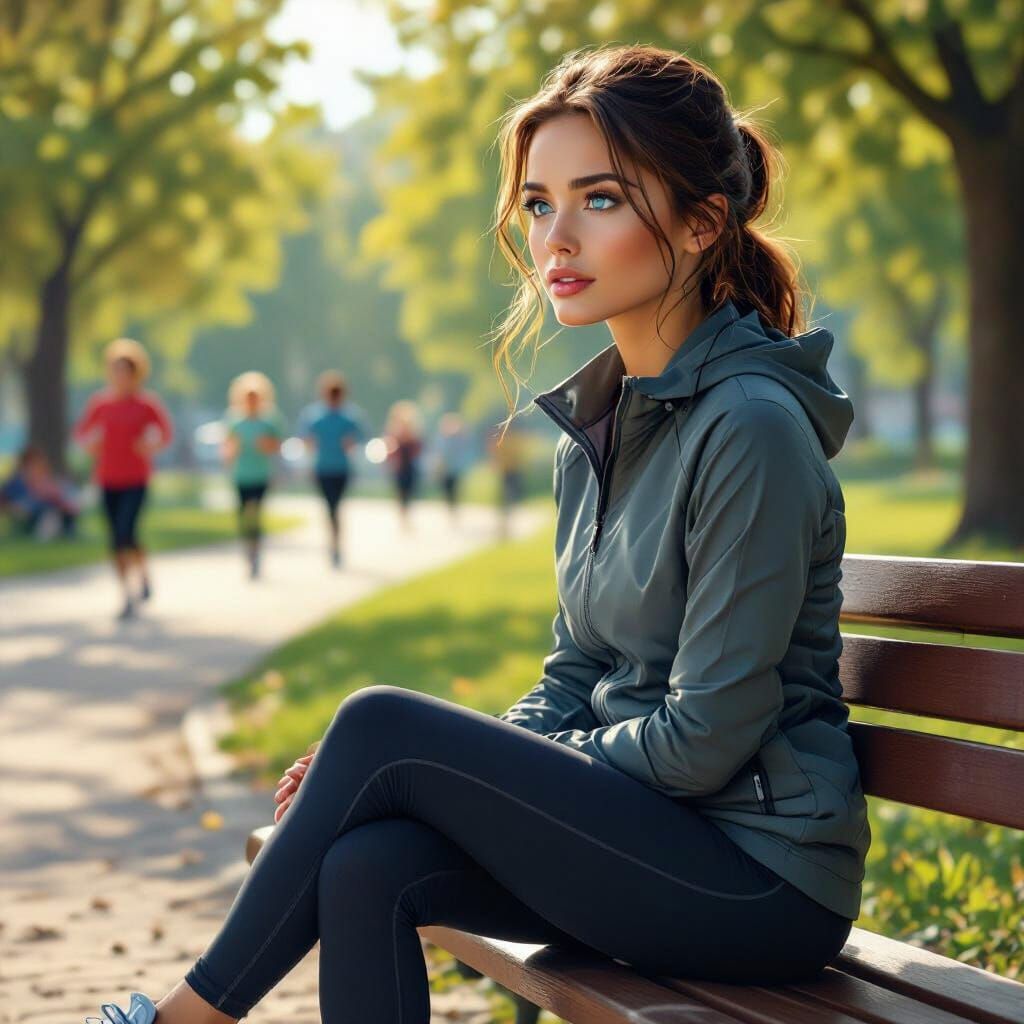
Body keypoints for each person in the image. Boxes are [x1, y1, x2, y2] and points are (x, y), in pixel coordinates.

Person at [89, 43, 870, 1023]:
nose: (556, 239)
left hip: (758, 876)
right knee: (366, 861)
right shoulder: (601, 424)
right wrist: (439, 773)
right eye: (540, 204)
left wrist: (431, 767)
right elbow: (577, 669)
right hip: (654, 832)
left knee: (379, 725)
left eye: (599, 199)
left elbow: (706, 739)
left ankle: (180, 1020)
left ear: (702, 221)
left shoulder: (749, 426)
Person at [73, 338, 173, 620]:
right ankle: (126, 593)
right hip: (107, 479)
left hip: (136, 479)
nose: (121, 376)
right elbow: (82, 434)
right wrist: (90, 443)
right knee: (117, 539)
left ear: (135, 373)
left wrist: (150, 444)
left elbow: (164, 433)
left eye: (126, 371)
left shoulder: (146, 405)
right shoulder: (100, 404)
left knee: (126, 532)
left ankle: (141, 576)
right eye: (116, 370)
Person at [298, 370, 366, 569]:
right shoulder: (314, 415)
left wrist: (351, 442)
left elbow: (360, 438)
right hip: (322, 468)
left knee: (336, 506)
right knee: (330, 507)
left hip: (341, 468)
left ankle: (336, 542)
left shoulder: (350, 416)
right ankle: (333, 542)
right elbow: (306, 439)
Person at [222, 371, 285, 580]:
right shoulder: (234, 420)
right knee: (243, 515)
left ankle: (256, 551)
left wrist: (267, 445)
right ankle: (248, 549)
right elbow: (227, 447)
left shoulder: (269, 420)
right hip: (241, 475)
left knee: (256, 513)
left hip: (261, 474)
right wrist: (230, 456)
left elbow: (278, 446)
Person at [0, 444, 79, 539]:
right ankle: (52, 532)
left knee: (59, 508)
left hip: (45, 509)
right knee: (48, 508)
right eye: (33, 462)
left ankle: (64, 532)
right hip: (30, 512)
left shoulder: (44, 478)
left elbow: (54, 494)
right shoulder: (17, 481)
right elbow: (5, 499)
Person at [382, 399, 424, 532]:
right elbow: (389, 449)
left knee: (409, 492)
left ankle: (407, 515)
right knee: (400, 493)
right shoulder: (393, 432)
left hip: (410, 467)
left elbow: (418, 448)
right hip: (399, 468)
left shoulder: (414, 432)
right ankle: (403, 517)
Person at [432, 412, 473, 525]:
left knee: (455, 490)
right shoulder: (441, 439)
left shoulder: (459, 439)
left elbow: (466, 449)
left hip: (455, 470)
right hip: (445, 470)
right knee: (447, 490)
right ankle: (450, 508)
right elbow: (438, 454)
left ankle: (454, 509)